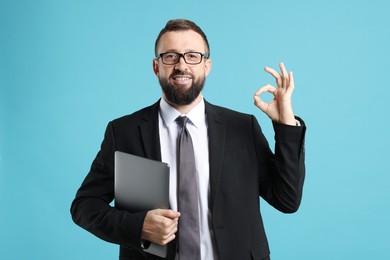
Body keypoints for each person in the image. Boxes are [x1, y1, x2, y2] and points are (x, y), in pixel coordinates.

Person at [71, 19, 306, 260]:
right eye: (170, 56)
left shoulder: (242, 127)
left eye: (192, 56)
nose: (182, 65)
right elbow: (84, 206)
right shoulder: (123, 132)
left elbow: (286, 199)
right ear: (156, 66)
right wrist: (138, 226)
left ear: (207, 66)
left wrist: (286, 124)